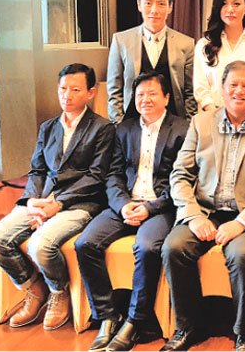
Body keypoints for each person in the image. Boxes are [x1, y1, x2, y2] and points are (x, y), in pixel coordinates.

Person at [160, 61, 245, 352]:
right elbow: (180, 175)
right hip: (205, 212)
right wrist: (192, 216)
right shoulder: (201, 123)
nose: (239, 91)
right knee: (173, 248)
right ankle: (188, 327)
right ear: (221, 89)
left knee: (243, 254)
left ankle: (243, 333)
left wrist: (241, 223)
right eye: (233, 85)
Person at [0, 64, 114, 331]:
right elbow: (37, 170)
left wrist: (59, 203)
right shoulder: (48, 127)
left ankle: (58, 291)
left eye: (75, 89)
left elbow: (96, 176)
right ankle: (34, 287)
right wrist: (32, 200)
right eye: (62, 89)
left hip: (79, 203)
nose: (67, 95)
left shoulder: (103, 128)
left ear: (90, 93)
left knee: (40, 245)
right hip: (43, 201)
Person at [74, 71, 189, 351]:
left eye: (152, 93)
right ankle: (108, 316)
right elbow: (112, 174)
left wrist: (150, 208)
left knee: (147, 247)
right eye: (140, 95)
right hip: (124, 202)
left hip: (160, 208)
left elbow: (183, 180)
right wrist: (123, 204)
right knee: (85, 243)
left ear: (166, 97)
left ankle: (136, 321)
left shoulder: (183, 129)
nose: (145, 99)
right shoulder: (124, 129)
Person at [107, 0, 196, 123]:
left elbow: (190, 92)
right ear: (139, 5)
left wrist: (188, 125)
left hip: (173, 123)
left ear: (170, 7)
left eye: (161, 4)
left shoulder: (186, 43)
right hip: (131, 123)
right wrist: (118, 124)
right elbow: (114, 90)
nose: (154, 10)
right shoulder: (121, 41)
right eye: (148, 3)